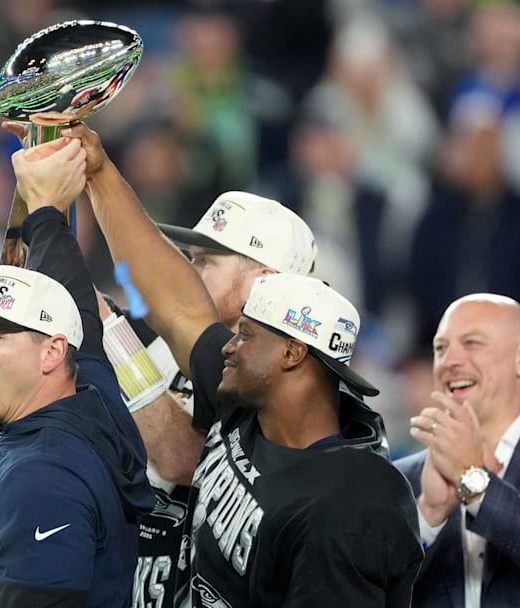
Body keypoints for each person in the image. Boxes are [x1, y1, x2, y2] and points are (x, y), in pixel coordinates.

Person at [59, 122, 423, 605]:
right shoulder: (246, 379)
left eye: (207, 260)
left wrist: (117, 344)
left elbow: (180, 457)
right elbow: (176, 306)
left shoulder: (348, 498)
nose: (189, 273)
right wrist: (99, 172)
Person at [0, 137, 153, 606]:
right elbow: (75, 309)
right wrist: (46, 206)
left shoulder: (42, 479)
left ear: (50, 354)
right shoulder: (87, 392)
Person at [395, 293, 520, 606]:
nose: (450, 361)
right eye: (440, 348)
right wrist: (428, 516)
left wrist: (475, 484)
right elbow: (369, 592)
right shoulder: (402, 479)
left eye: (472, 343)